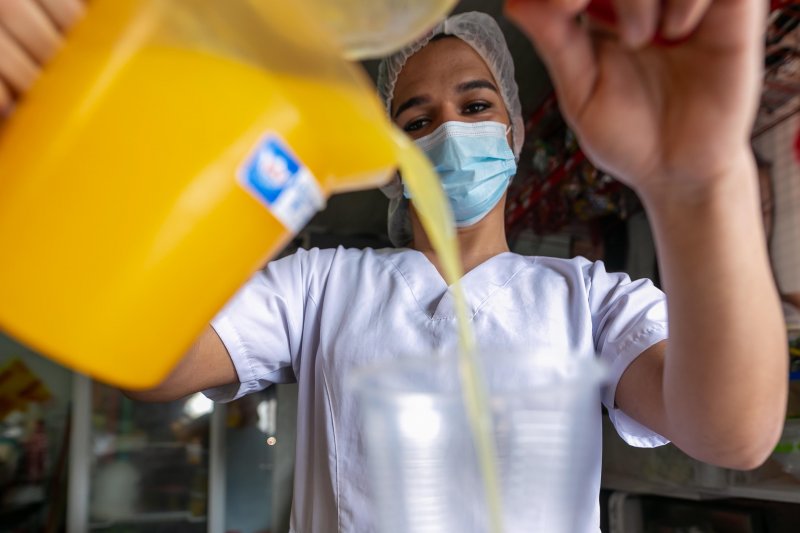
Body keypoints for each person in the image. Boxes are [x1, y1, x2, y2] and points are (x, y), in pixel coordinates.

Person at [0, 0, 789, 531]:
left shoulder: (588, 301)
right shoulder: (320, 285)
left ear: (514, 132)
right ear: (389, 157)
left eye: (475, 106)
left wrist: (699, 180)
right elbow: (156, 354)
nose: (447, 130)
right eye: (416, 119)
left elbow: (734, 432)